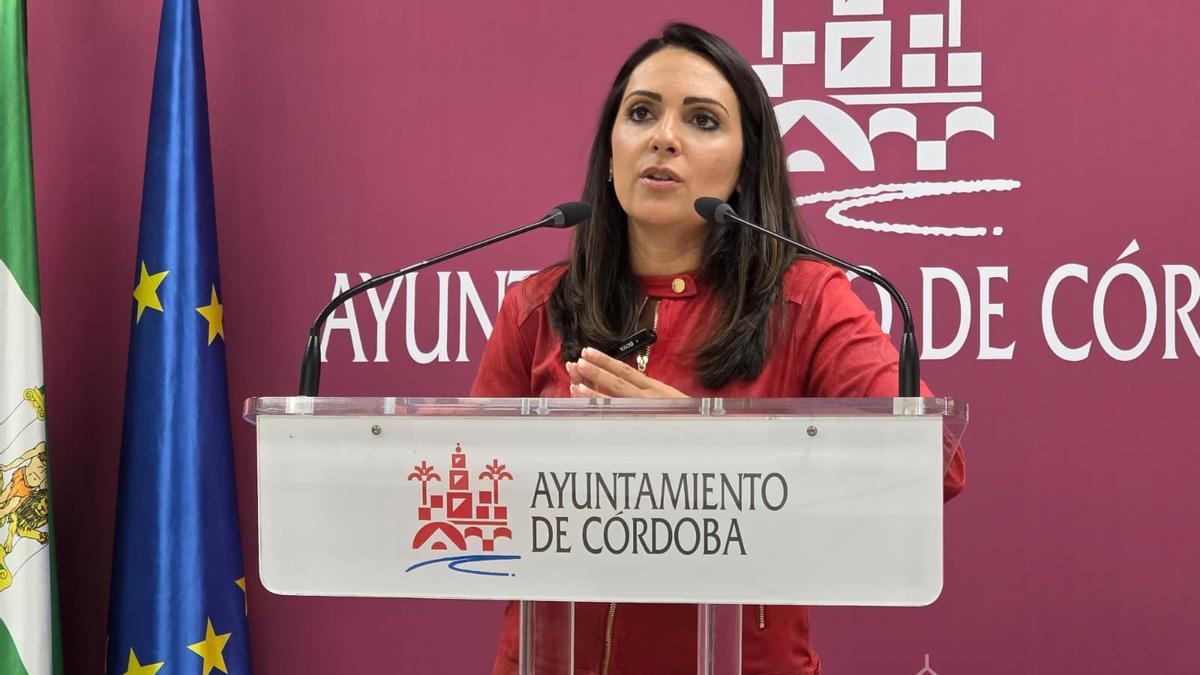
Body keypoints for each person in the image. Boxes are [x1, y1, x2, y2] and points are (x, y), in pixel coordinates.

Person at [471, 22, 966, 675]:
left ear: (744, 165)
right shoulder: (537, 308)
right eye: (641, 113)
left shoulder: (806, 301)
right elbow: (468, 487)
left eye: (702, 120)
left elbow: (931, 460)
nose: (664, 137)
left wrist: (710, 450)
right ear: (611, 151)